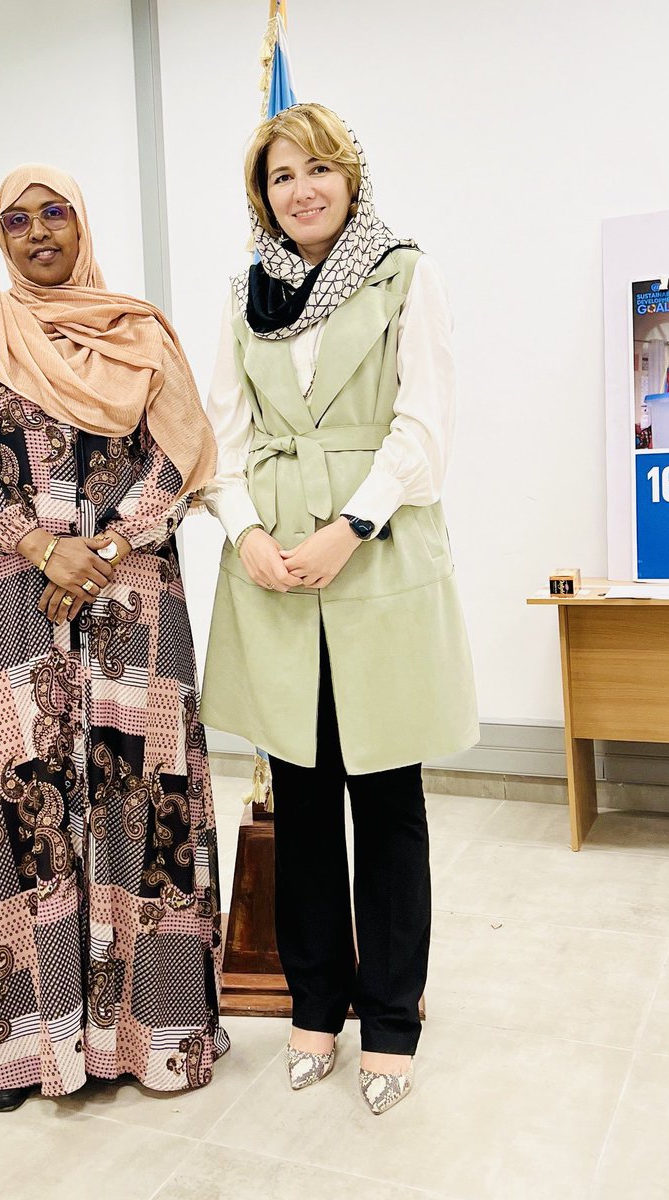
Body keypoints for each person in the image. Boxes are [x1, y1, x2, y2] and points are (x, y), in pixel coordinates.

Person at [0, 164, 227, 1112]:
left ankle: (152, 1037)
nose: (38, 233)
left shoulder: (139, 332)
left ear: (82, 224)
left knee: (147, 805)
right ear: (1, 237)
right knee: (21, 806)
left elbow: (182, 452)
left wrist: (107, 543)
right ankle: (23, 1045)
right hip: (17, 604)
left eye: (56, 214)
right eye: (18, 221)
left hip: (132, 599)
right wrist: (39, 546)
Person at [201, 104, 478, 1115]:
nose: (303, 189)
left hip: (376, 555)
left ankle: (392, 1020)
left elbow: (423, 428)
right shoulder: (245, 290)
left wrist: (344, 530)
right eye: (282, 176)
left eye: (320, 169)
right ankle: (317, 1004)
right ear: (262, 195)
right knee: (303, 799)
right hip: (274, 568)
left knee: (388, 798)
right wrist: (248, 536)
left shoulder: (406, 272)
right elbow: (221, 436)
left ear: (350, 179)